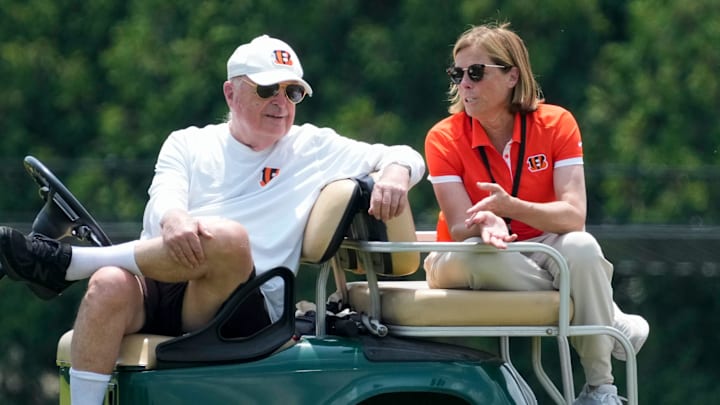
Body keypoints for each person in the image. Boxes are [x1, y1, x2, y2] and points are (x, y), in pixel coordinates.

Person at [0, 34, 425, 405]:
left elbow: (406, 155)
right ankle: (78, 278)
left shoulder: (313, 147)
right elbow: (165, 197)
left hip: (245, 305)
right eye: (267, 90)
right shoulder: (187, 142)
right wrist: (174, 219)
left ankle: (67, 263)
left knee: (227, 238)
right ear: (231, 94)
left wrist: (393, 173)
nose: (281, 102)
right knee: (108, 285)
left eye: (292, 93)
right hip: (165, 284)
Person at [422, 23, 648, 405]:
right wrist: (488, 220)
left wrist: (510, 207)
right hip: (466, 252)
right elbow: (460, 225)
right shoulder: (443, 136)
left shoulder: (557, 123)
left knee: (582, 247)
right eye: (457, 74)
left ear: (513, 75)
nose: (465, 84)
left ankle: (601, 390)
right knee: (490, 257)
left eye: (476, 72)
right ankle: (604, 314)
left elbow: (573, 217)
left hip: (542, 247)